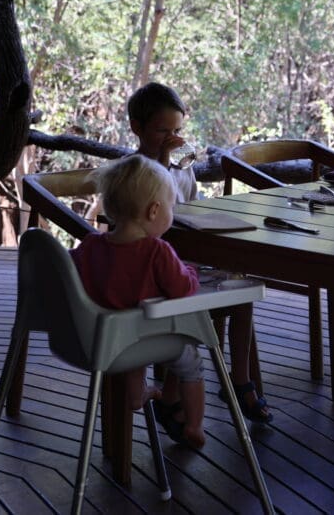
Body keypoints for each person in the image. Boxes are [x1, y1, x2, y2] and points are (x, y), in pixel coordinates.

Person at [127, 82, 272, 423]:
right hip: (153, 271)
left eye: (177, 130)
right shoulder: (135, 169)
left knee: (240, 287)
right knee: (197, 303)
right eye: (163, 131)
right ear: (137, 128)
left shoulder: (181, 166)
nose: (172, 138)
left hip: (184, 258)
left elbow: (188, 205)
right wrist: (163, 162)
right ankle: (174, 395)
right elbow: (150, 208)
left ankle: (240, 379)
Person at [70, 155, 207, 448]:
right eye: (171, 206)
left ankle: (137, 397)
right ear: (154, 210)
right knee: (191, 363)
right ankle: (194, 425)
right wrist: (193, 273)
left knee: (132, 348)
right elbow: (183, 289)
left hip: (101, 339)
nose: (171, 211)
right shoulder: (158, 250)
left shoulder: (91, 245)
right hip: (146, 337)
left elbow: (68, 274)